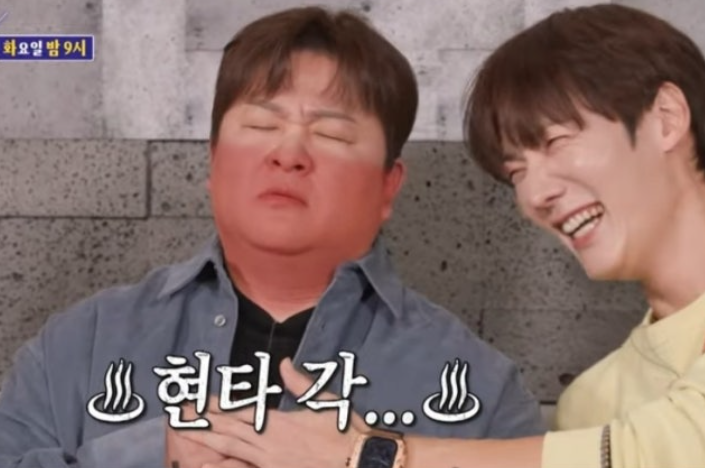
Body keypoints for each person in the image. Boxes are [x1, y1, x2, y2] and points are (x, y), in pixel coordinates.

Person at [0, 6, 544, 468]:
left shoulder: (474, 384)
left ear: (389, 186)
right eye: (260, 124)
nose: (289, 153)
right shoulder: (86, 343)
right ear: (212, 161)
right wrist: (153, 451)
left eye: (331, 135)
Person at [179, 4, 705, 468]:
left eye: (556, 141)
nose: (535, 194)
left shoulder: (486, 388)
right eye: (517, 172)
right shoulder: (593, 403)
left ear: (665, 118)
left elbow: (667, 447)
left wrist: (371, 455)